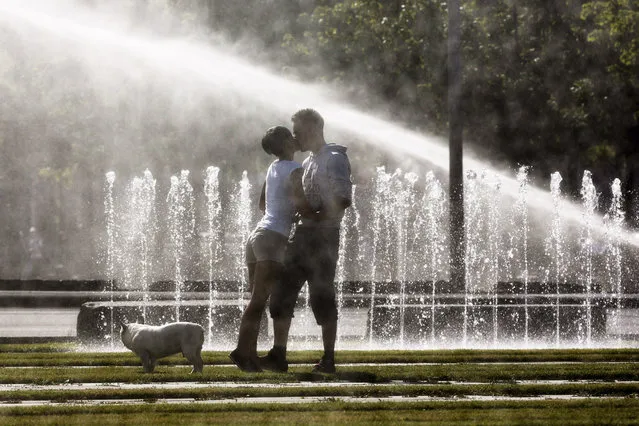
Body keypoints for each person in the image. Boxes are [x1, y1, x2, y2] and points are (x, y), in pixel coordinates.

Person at [261, 108, 352, 374]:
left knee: (321, 296)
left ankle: (328, 359)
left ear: (313, 130)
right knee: (281, 293)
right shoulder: (309, 160)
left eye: (298, 132)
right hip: (302, 235)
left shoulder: (334, 158)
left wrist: (315, 216)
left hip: (323, 236)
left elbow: (343, 198)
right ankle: (279, 355)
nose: (295, 137)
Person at [229, 125, 313, 372]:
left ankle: (249, 356)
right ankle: (241, 352)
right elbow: (302, 203)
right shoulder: (295, 169)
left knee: (255, 300)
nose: (296, 138)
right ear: (287, 143)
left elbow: (262, 205)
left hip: (257, 236)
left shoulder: (273, 167)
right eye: (291, 136)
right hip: (273, 238)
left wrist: (287, 212)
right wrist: (318, 212)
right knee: (258, 300)